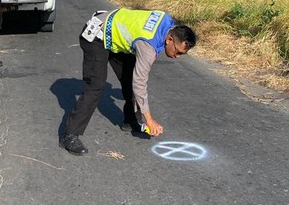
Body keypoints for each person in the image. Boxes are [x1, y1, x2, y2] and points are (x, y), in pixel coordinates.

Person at [60, 8, 197, 155]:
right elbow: (140, 83)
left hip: (114, 37)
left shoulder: (167, 20)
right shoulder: (148, 46)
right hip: (96, 36)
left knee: (130, 77)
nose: (177, 56)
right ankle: (69, 136)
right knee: (96, 86)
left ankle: (131, 121)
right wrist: (149, 119)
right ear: (169, 39)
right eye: (178, 52)